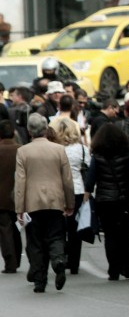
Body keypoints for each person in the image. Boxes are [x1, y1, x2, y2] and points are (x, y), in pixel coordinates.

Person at [14, 113, 75, 293]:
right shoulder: (59, 150)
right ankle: (58, 259)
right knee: (56, 235)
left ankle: (40, 280)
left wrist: (19, 208)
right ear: (46, 129)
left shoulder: (23, 151)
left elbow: (20, 181)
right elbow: (67, 180)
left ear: (29, 131)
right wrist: (70, 202)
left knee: (35, 242)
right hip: (55, 200)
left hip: (32, 203)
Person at [85, 123, 129, 279]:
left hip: (104, 201)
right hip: (123, 200)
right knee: (124, 234)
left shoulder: (97, 157)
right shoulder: (126, 156)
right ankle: (126, 268)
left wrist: (86, 199)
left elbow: (90, 180)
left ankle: (113, 270)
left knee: (110, 235)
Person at [50, 119, 88, 275]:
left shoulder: (54, 149)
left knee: (58, 226)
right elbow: (88, 167)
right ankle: (74, 263)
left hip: (58, 190)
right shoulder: (82, 149)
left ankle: (61, 256)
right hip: (78, 190)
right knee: (75, 228)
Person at [0, 120, 22, 273]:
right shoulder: (22, 150)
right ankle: (18, 258)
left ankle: (10, 262)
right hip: (19, 195)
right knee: (17, 228)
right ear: (13, 133)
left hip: (1, 197)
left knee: (5, 229)